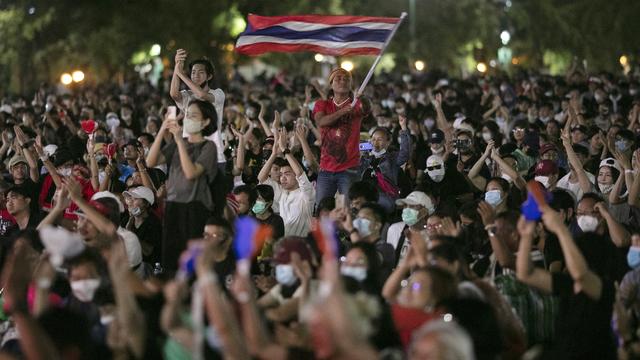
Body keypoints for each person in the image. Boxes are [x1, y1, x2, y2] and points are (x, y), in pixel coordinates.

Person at [146, 99, 218, 272]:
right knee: (172, 258)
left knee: (193, 259)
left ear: (205, 121)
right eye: (187, 115)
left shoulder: (208, 147)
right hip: (173, 206)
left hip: (195, 207)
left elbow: (191, 173)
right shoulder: (179, 143)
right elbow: (151, 161)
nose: (188, 119)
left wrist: (179, 141)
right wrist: (163, 128)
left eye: (193, 115)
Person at [313, 68, 370, 204]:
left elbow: (367, 108)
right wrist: (343, 111)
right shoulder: (322, 104)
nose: (342, 81)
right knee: (321, 208)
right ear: (331, 84)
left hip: (349, 169)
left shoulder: (356, 104)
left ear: (351, 85)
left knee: (348, 208)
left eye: (346, 79)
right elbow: (321, 121)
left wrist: (363, 98)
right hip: (325, 169)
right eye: (338, 78)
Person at [123, 186, 162, 268]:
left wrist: (131, 233)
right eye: (130, 199)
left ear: (146, 204)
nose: (130, 202)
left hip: (148, 268)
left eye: (135, 199)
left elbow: (148, 251)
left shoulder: (154, 223)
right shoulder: (126, 219)